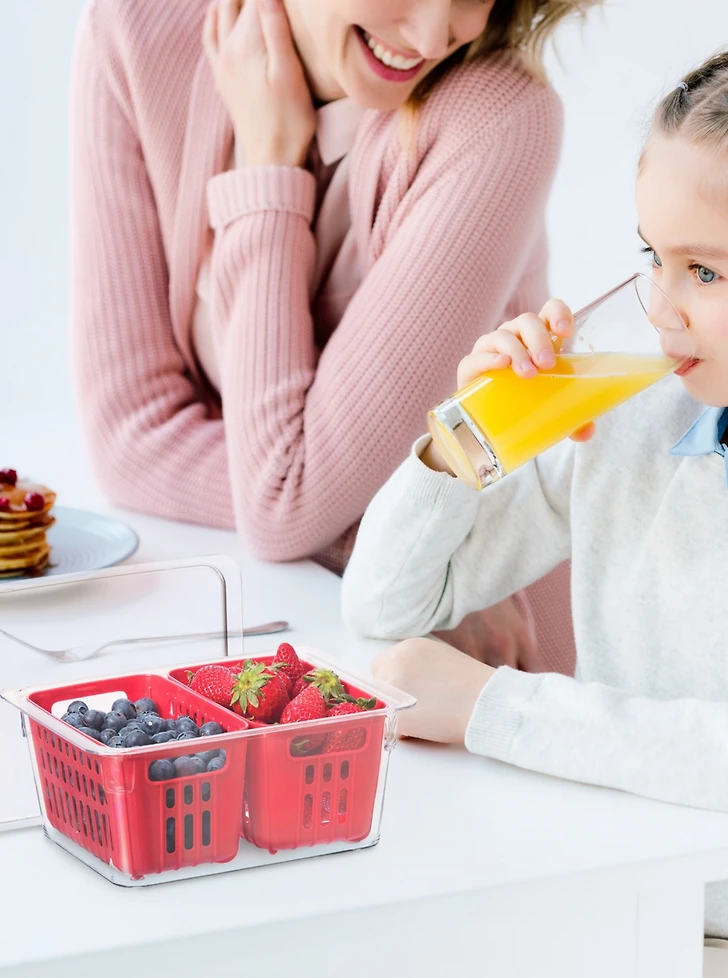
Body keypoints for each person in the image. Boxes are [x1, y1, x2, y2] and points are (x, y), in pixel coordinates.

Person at [70, 0, 597, 673]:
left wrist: (265, 167)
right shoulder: (137, 37)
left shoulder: (497, 113)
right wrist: (391, 535)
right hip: (286, 622)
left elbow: (284, 502)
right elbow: (130, 438)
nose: (436, 35)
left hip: (459, 654)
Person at [341, 52, 728, 959]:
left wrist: (490, 707)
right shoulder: (640, 420)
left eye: (706, 273)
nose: (660, 309)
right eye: (653, 258)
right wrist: (466, 441)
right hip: (619, 912)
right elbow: (388, 604)